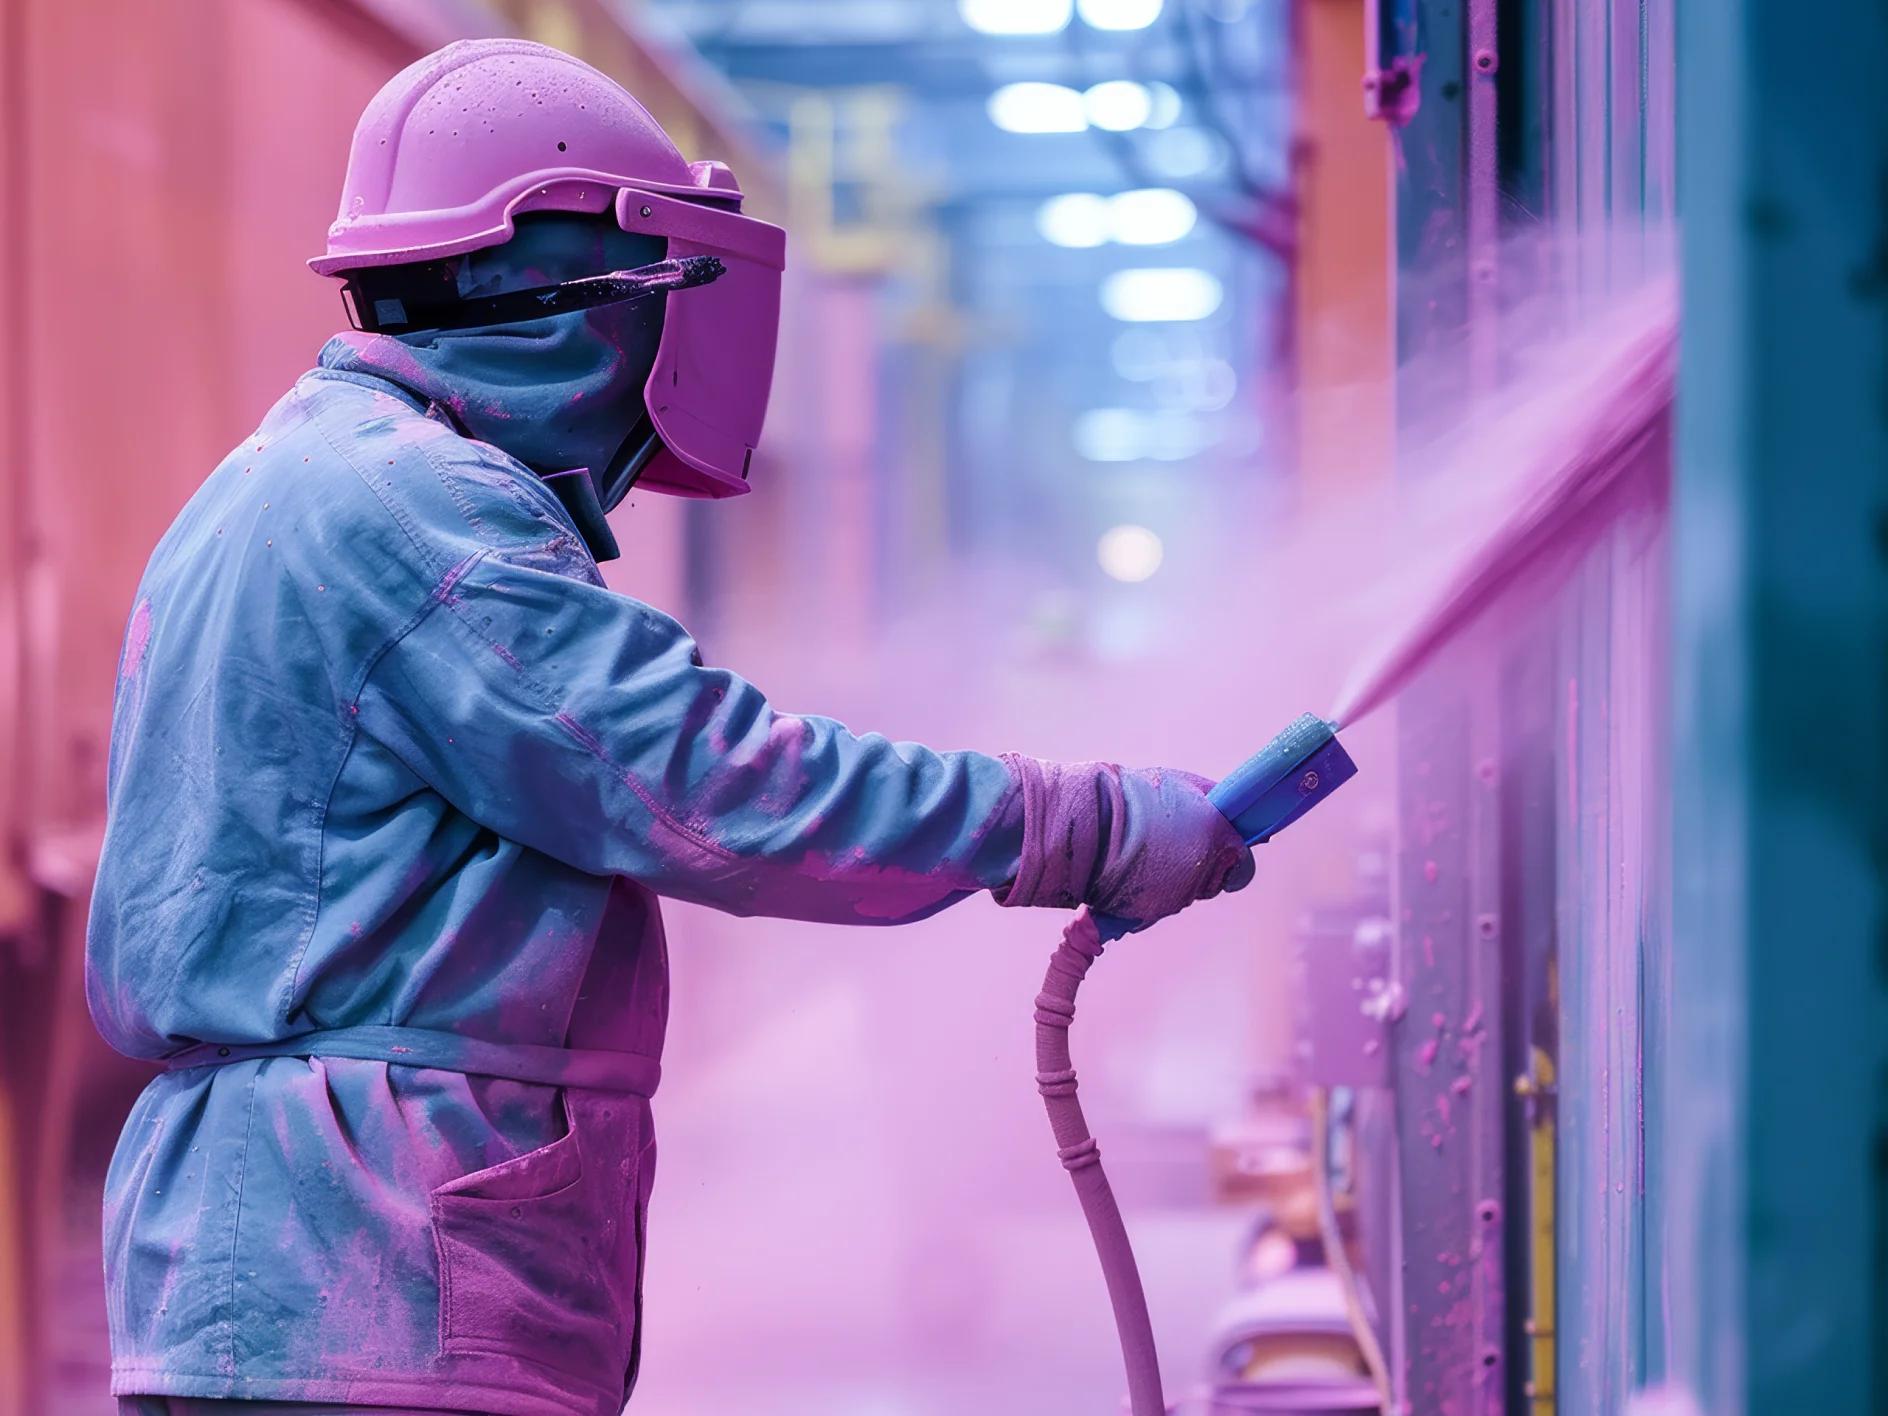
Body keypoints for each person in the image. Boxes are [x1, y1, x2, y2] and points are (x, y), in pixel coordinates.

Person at [87, 39, 1252, 1416]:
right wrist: (1074, 823)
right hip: (380, 1274)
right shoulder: (428, 513)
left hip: (259, 1269)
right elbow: (718, 790)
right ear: (584, 301)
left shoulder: (272, 485)